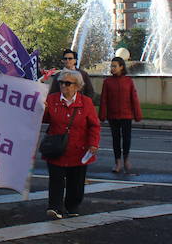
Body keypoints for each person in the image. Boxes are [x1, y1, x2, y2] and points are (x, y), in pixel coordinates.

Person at [42, 69, 100, 219]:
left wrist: (93, 144)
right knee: (56, 179)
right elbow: (44, 119)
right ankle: (55, 207)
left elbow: (94, 125)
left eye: (68, 83)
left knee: (76, 181)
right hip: (56, 148)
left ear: (77, 86)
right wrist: (42, 109)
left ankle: (72, 206)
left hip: (79, 149)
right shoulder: (52, 99)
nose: (64, 86)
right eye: (61, 83)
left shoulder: (86, 102)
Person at [99, 56, 142, 174]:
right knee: (116, 140)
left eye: (114, 66)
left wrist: (137, 114)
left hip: (126, 115)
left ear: (121, 67)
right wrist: (102, 115)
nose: (112, 68)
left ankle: (126, 159)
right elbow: (104, 99)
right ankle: (117, 162)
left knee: (127, 139)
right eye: (111, 66)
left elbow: (134, 98)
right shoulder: (107, 82)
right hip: (113, 116)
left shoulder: (128, 81)